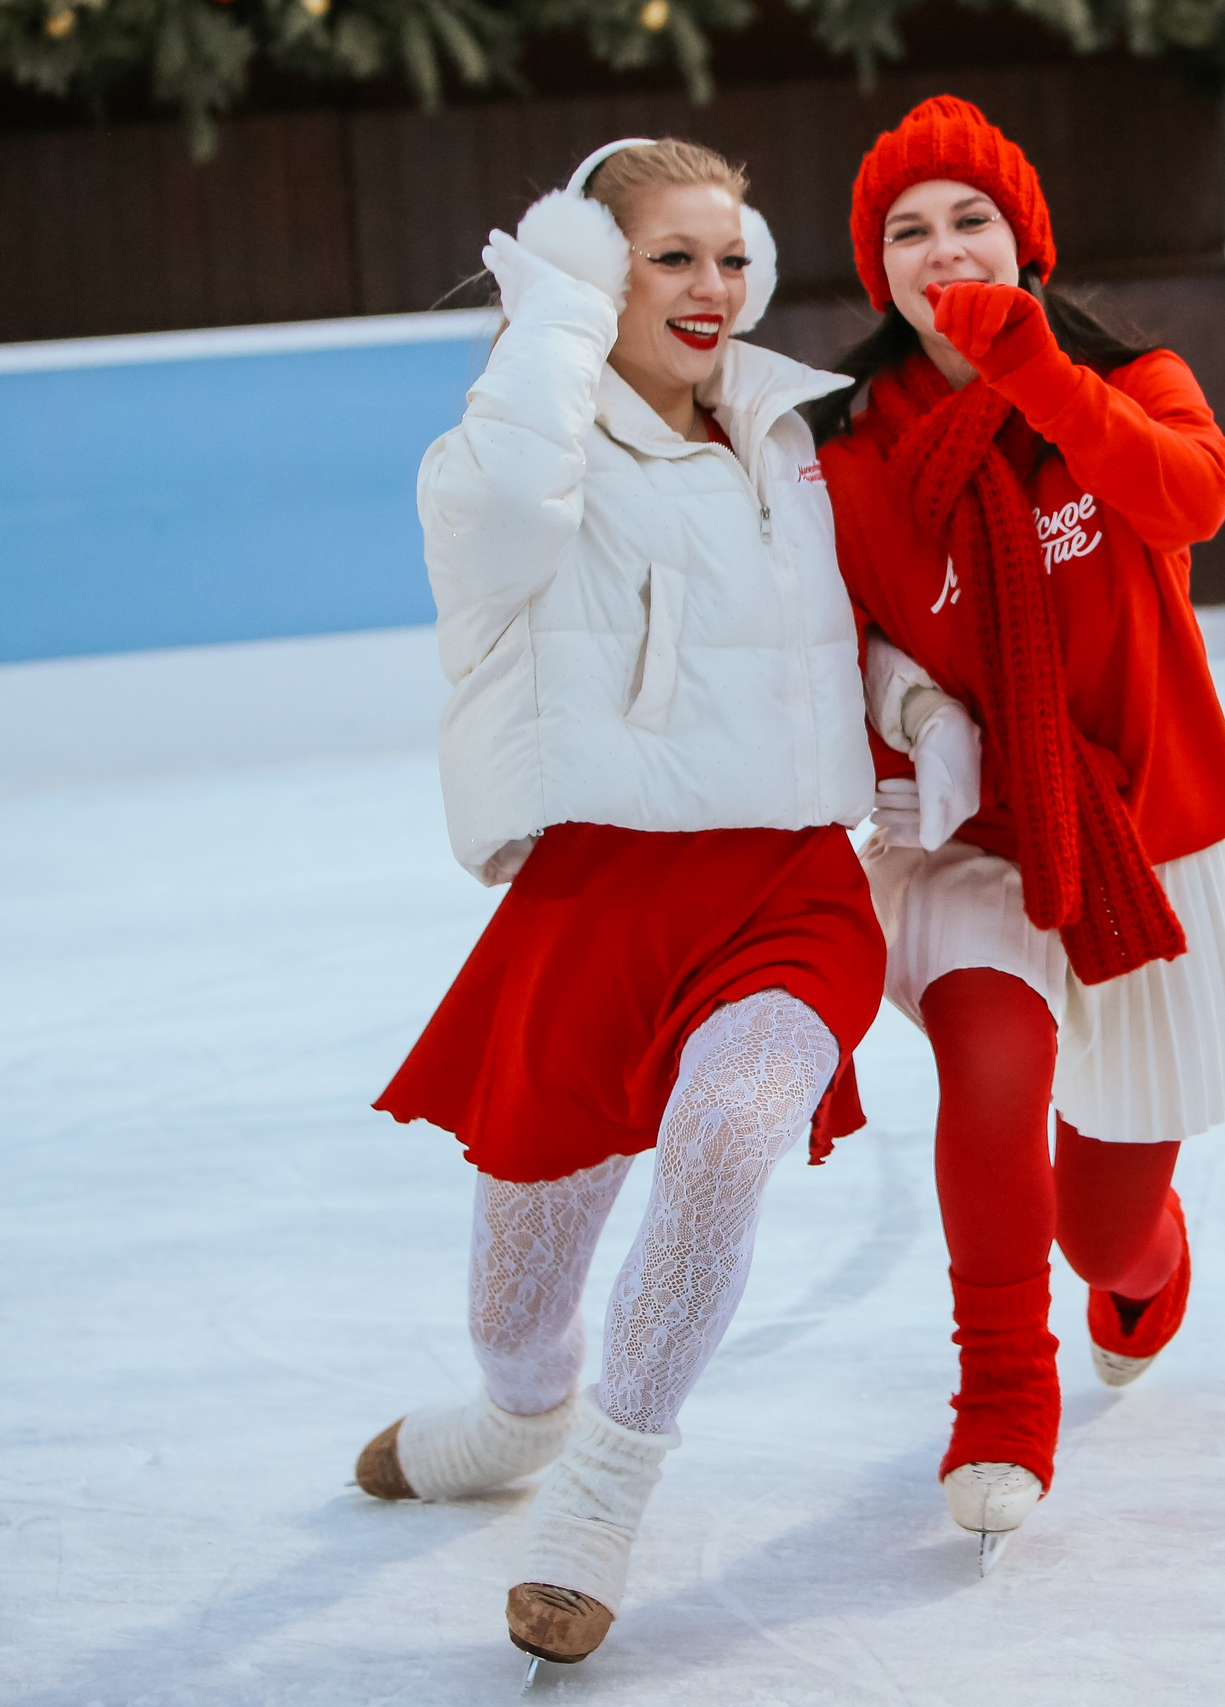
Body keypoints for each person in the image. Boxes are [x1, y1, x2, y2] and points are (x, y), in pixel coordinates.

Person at [360, 138, 883, 1674]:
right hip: (598, 898)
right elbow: (511, 505)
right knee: (518, 1315)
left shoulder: (794, 429)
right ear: (595, 272)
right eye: (669, 257)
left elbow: (869, 613)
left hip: (791, 881)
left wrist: (916, 711)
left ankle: (598, 1490)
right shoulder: (515, 446)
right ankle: (519, 1417)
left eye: (731, 256)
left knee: (733, 1126)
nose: (712, 290)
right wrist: (556, 320)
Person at [813, 96, 1225, 1554]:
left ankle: (1145, 1257)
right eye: (910, 228)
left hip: (1150, 842)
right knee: (995, 1075)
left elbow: (1193, 500)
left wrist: (1040, 375)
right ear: (878, 266)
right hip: (980, 846)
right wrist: (898, 701)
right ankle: (1000, 1398)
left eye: (972, 219)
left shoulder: (1130, 376)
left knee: (1104, 1227)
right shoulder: (844, 443)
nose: (943, 247)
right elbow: (820, 628)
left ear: (1026, 241)